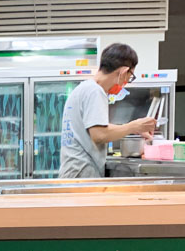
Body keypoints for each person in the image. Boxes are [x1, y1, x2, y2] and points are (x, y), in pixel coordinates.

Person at [58, 43, 156, 179]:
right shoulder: (95, 92)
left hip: (74, 171)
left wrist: (133, 129)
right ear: (123, 72)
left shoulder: (84, 88)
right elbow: (99, 135)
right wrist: (133, 125)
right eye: (130, 76)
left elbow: (98, 128)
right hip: (83, 173)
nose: (126, 82)